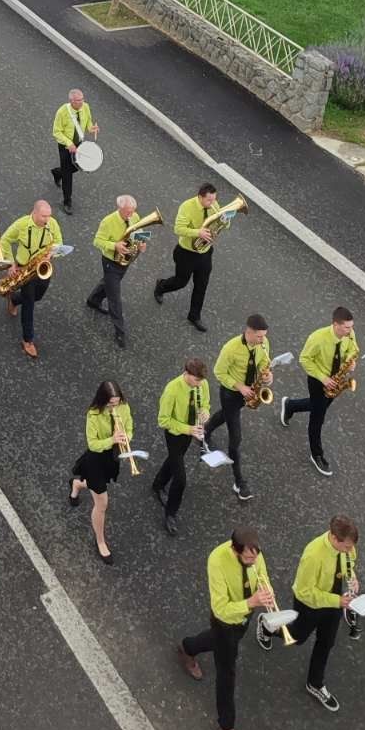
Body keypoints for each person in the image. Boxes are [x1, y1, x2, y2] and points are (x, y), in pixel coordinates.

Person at [175, 527, 274, 730]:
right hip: (225, 622)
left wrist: (266, 590)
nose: (253, 561)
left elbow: (262, 574)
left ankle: (187, 647)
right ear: (234, 550)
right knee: (227, 674)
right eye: (248, 558)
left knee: (216, 643)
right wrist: (251, 602)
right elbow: (220, 609)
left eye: (255, 556)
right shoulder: (217, 561)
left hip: (243, 618)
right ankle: (226, 727)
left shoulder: (254, 554)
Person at [258, 515, 360, 713]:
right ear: (334, 538)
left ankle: (315, 683)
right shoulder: (313, 555)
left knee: (327, 641)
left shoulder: (347, 547)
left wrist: (352, 578)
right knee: (297, 637)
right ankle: (267, 625)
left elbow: (349, 564)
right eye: (347, 547)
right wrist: (337, 601)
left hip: (334, 600)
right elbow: (305, 592)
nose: (350, 550)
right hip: (309, 605)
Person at [280, 306, 360, 476]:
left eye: (351, 326)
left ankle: (290, 405)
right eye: (347, 327)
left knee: (319, 406)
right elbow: (304, 359)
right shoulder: (317, 338)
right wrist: (323, 378)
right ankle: (316, 454)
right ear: (336, 325)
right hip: (318, 381)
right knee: (318, 417)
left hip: (336, 379)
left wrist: (350, 361)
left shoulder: (349, 334)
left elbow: (352, 350)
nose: (351, 330)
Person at [205, 316, 271, 503]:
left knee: (226, 415)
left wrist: (267, 376)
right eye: (259, 337)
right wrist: (239, 386)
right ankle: (239, 481)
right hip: (231, 393)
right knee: (236, 438)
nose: (262, 340)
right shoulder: (231, 348)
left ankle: (206, 431)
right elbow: (219, 372)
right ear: (248, 332)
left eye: (264, 336)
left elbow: (264, 364)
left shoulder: (263, 343)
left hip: (248, 391)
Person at [69, 380, 133, 565]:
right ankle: (100, 541)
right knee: (102, 503)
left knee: (98, 488)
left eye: (117, 402)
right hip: (96, 459)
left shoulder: (124, 407)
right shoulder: (93, 414)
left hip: (111, 458)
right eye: (110, 404)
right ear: (103, 400)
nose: (115, 407)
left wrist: (125, 437)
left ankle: (78, 484)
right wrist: (112, 439)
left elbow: (129, 428)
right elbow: (93, 444)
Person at [153, 360, 210, 535]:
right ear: (186, 373)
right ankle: (170, 514)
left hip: (190, 431)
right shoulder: (172, 390)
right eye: (195, 380)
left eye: (200, 381)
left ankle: (158, 484)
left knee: (174, 458)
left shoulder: (202, 384)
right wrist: (188, 429)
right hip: (175, 434)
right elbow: (163, 420)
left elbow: (205, 403)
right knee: (181, 478)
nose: (199, 384)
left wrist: (205, 411)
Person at [0, 200, 63, 359]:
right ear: (34, 213)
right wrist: (10, 263)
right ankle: (27, 340)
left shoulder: (52, 224)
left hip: (42, 266)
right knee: (29, 304)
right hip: (24, 267)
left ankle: (13, 299)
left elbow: (59, 242)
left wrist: (53, 253)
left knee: (38, 296)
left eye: (49, 216)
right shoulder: (21, 225)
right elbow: (4, 240)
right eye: (43, 216)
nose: (47, 220)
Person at [154, 182, 220, 333]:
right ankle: (161, 286)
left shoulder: (214, 204)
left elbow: (219, 222)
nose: (213, 203)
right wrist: (198, 233)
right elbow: (178, 228)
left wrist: (225, 221)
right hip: (186, 252)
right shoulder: (186, 207)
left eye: (214, 199)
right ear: (200, 197)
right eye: (209, 200)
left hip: (205, 252)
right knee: (181, 282)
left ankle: (194, 316)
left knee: (201, 285)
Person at [86, 195, 143, 349]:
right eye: (127, 212)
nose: (131, 215)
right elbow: (97, 241)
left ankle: (93, 300)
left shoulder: (135, 216)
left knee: (110, 283)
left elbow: (139, 231)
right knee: (115, 297)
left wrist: (142, 242)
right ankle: (120, 331)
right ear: (119, 209)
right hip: (111, 262)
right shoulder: (107, 221)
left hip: (124, 261)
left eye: (132, 211)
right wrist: (114, 245)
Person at [50, 89, 98, 215]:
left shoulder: (85, 107)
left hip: (79, 143)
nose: (82, 102)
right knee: (68, 174)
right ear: (71, 101)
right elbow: (56, 132)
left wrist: (91, 128)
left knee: (78, 166)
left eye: (82, 99)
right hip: (66, 146)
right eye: (78, 100)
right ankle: (67, 201)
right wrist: (68, 143)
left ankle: (57, 172)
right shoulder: (62, 112)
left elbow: (88, 121)